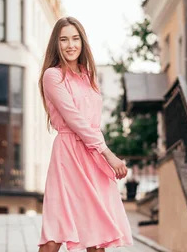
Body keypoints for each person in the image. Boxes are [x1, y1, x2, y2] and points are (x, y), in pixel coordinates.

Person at [37, 17, 133, 252]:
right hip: (69, 155)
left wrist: (100, 154)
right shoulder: (53, 76)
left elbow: (93, 123)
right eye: (64, 39)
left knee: (96, 231)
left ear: (82, 42)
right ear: (56, 44)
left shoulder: (88, 76)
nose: (70, 45)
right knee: (57, 228)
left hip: (91, 155)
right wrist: (108, 154)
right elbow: (75, 120)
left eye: (75, 38)